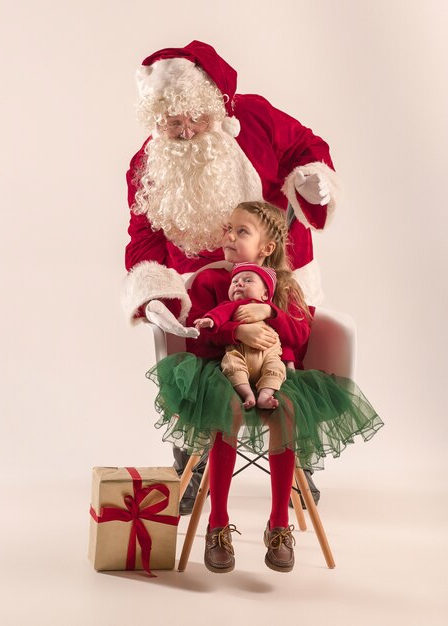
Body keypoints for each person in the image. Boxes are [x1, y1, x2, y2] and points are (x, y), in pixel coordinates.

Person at [124, 40, 341, 513]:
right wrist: (154, 293)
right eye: (171, 122)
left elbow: (305, 146)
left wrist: (311, 178)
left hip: (274, 271)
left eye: (194, 119)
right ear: (155, 119)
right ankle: (192, 458)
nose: (184, 133)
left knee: (285, 357)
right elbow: (141, 238)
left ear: (212, 108)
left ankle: (297, 461)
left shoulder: (255, 119)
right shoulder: (147, 165)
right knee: (199, 370)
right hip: (200, 289)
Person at [147, 201, 384, 573]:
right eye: (228, 229)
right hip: (222, 371)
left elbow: (302, 334)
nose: (229, 236)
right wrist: (236, 329)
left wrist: (270, 312)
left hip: (277, 373)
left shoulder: (286, 286)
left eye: (241, 231)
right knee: (229, 411)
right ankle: (218, 524)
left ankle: (278, 525)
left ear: (266, 248)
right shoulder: (211, 280)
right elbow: (197, 336)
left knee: (286, 411)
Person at [194, 263, 292, 410]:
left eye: (248, 281)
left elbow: (285, 335)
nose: (239, 283)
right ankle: (247, 394)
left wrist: (289, 359)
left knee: (277, 367)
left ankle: (265, 395)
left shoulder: (270, 310)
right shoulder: (233, 306)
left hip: (268, 354)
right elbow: (219, 313)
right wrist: (210, 320)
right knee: (231, 363)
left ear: (265, 294)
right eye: (234, 282)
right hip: (240, 351)